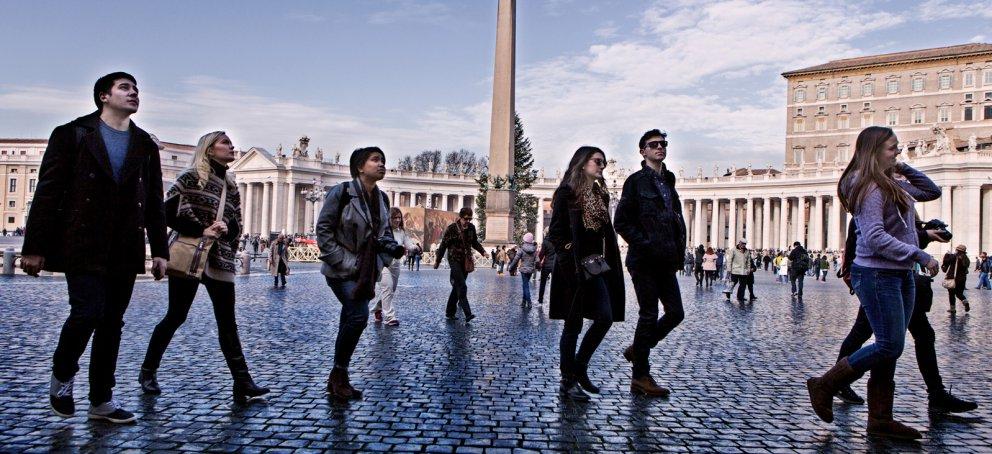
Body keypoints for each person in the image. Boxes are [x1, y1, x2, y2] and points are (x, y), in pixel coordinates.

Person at [21, 72, 169, 423]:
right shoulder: (73, 134)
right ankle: (62, 373)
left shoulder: (145, 144)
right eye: (125, 88)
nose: (134, 93)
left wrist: (160, 250)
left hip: (124, 244)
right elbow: (48, 192)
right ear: (104, 96)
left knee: (112, 323)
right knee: (87, 312)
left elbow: (154, 203)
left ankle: (101, 399)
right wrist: (34, 246)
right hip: (82, 240)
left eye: (136, 89)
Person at [806, 126, 941, 440]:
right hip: (877, 273)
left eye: (898, 148)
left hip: (900, 273)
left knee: (888, 347)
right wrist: (919, 254)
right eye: (892, 148)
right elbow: (876, 238)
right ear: (874, 151)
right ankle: (826, 383)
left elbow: (932, 191)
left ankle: (880, 418)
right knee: (890, 344)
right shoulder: (869, 188)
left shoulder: (892, 181)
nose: (898, 152)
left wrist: (902, 166)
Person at [140, 131, 269, 404]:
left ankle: (242, 381)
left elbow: (237, 225)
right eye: (225, 143)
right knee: (176, 316)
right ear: (209, 150)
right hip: (191, 254)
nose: (232, 146)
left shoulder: (231, 186)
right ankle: (148, 371)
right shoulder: (189, 178)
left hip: (219, 257)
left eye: (232, 143)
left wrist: (225, 228)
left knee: (228, 323)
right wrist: (203, 228)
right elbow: (167, 212)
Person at [834, 218, 977, 413]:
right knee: (875, 337)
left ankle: (934, 394)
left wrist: (925, 234)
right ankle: (832, 383)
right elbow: (882, 239)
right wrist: (924, 235)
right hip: (881, 280)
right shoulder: (877, 201)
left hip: (901, 279)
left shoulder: (899, 203)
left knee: (921, 334)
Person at [316, 147, 404, 401]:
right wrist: (343, 261)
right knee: (358, 316)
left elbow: (384, 233)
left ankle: (337, 377)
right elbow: (323, 230)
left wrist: (391, 248)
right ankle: (339, 374)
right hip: (340, 268)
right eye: (375, 160)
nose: (381, 164)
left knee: (349, 318)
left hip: (366, 270)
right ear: (359, 167)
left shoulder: (382, 199)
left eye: (383, 160)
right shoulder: (342, 192)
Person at [547, 146, 625, 401]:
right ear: (582, 164)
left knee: (605, 317)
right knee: (573, 325)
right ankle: (567, 381)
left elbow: (605, 232)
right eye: (597, 161)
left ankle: (579, 366)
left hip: (596, 266)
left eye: (603, 162)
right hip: (572, 268)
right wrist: (571, 257)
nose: (602, 166)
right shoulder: (566, 193)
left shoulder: (601, 195)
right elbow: (555, 233)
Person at [614, 130, 686, 397]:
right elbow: (620, 221)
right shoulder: (635, 182)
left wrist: (678, 251)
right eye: (653, 145)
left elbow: (674, 218)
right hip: (644, 259)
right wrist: (643, 243)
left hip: (667, 258)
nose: (660, 148)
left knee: (676, 312)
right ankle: (641, 376)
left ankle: (638, 348)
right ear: (642, 151)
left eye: (663, 144)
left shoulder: (669, 180)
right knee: (648, 314)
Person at [434, 207, 488, 322]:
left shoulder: (471, 228)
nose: (468, 221)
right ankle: (467, 313)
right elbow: (443, 245)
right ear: (460, 217)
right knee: (462, 286)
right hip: (454, 260)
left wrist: (483, 252)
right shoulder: (452, 228)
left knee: (456, 286)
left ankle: (449, 312)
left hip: (466, 261)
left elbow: (474, 242)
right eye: (466, 219)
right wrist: (438, 261)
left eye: (470, 219)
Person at [371, 207, 416, 326]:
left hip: (396, 264)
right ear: (389, 219)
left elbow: (408, 244)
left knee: (391, 290)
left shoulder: (402, 231)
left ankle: (377, 309)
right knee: (387, 288)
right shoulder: (384, 231)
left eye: (399, 217)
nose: (397, 220)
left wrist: (416, 248)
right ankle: (389, 317)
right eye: (394, 217)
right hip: (384, 263)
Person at [508, 232, 539, 307]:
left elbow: (516, 259)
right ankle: (523, 302)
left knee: (525, 285)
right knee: (525, 285)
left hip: (524, 269)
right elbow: (537, 259)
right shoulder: (534, 249)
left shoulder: (521, 249)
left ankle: (529, 302)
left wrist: (511, 267)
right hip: (531, 269)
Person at [942, 244, 971, 313]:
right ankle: (966, 302)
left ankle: (952, 309)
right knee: (959, 293)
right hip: (962, 279)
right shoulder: (966, 258)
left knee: (951, 294)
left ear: (957, 250)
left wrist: (947, 254)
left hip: (953, 278)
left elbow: (945, 262)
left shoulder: (954, 257)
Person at [537, 235, 556, 305]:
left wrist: (538, 264)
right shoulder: (556, 241)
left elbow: (542, 254)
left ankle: (540, 299)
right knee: (555, 284)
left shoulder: (545, 242)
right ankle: (554, 300)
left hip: (546, 265)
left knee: (543, 283)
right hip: (555, 265)